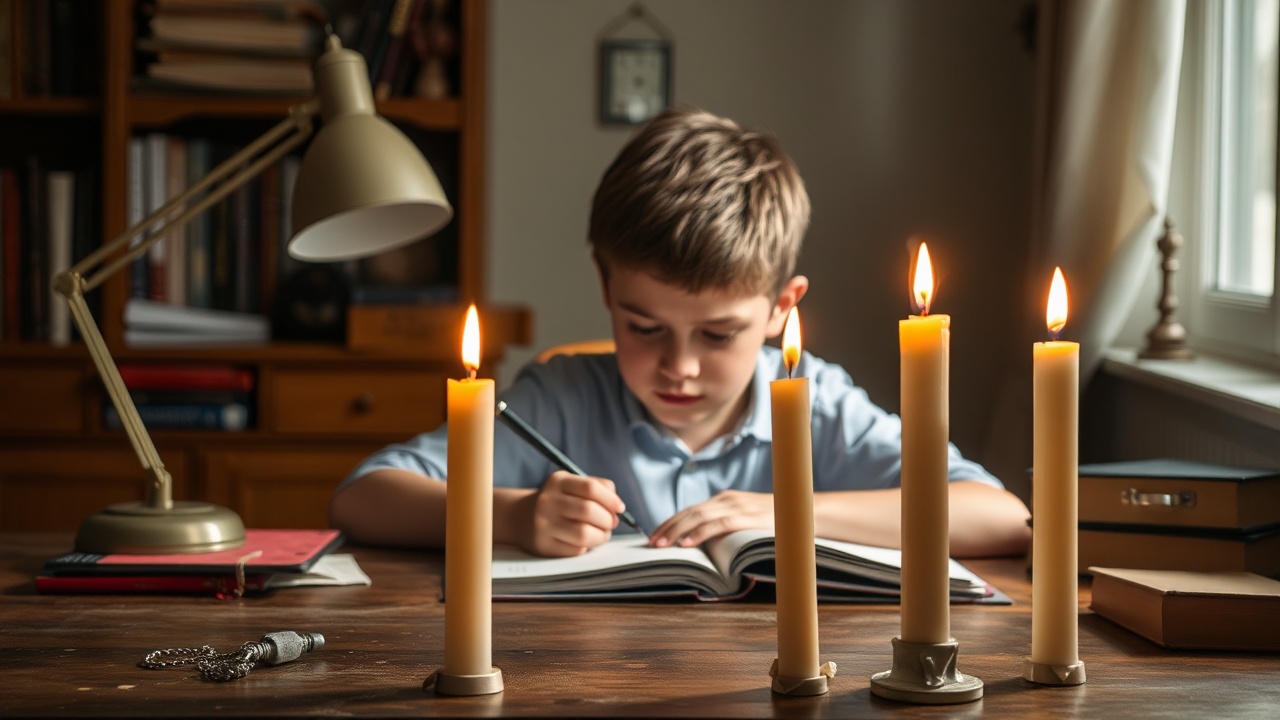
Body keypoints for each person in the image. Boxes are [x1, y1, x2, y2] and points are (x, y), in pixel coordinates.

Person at [330, 106, 1031, 559]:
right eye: (644, 327)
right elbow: (364, 495)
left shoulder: (814, 401)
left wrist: (786, 511)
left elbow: (999, 517)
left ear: (782, 307)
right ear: (606, 289)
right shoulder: (565, 397)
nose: (681, 367)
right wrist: (513, 517)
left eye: (720, 335)